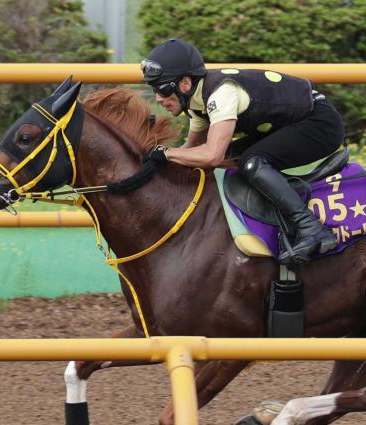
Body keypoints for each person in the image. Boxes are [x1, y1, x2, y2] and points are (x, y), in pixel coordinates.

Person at [141, 38, 342, 265]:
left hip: (320, 124)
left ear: (185, 83)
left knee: (251, 162)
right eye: (153, 89)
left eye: (162, 89)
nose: (158, 98)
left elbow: (211, 156)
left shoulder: (221, 94)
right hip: (292, 122)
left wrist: (166, 153)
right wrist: (156, 163)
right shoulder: (196, 102)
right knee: (230, 158)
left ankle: (311, 227)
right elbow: (191, 152)